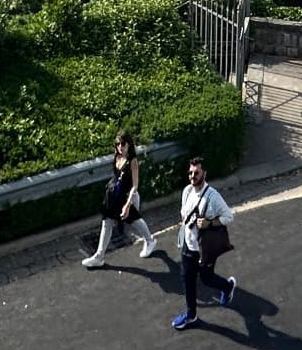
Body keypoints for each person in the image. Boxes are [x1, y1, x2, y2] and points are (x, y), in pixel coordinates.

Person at [171, 156, 236, 330]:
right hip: (188, 245)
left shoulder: (213, 196)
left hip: (204, 248)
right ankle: (191, 316)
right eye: (190, 173)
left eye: (196, 173)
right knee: (187, 280)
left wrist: (209, 223)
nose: (193, 176)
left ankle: (227, 286)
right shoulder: (186, 191)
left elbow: (229, 216)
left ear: (204, 174)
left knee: (206, 279)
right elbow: (184, 213)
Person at [82, 130, 157, 268]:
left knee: (135, 221)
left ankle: (150, 240)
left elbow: (135, 186)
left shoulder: (132, 161)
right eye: (117, 144)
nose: (120, 147)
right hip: (115, 197)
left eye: (123, 144)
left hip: (128, 197)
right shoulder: (117, 156)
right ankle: (99, 256)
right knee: (107, 222)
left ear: (129, 144)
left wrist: (128, 204)